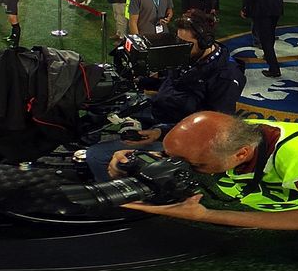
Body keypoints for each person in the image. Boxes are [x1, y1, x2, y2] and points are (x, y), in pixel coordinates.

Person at [113, 112, 298, 236]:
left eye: (195, 165)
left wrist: (207, 216)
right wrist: (139, 159)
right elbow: (198, 149)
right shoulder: (236, 134)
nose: (180, 167)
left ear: (241, 154)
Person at [85, 10, 244, 181]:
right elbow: (169, 82)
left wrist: (160, 132)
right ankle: (86, 139)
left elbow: (214, 129)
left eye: (186, 43)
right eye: (178, 41)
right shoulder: (186, 54)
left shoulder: (226, 77)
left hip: (179, 134)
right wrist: (138, 81)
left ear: (206, 42)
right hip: (158, 109)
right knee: (103, 101)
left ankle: (121, 193)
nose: (180, 47)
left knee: (96, 155)